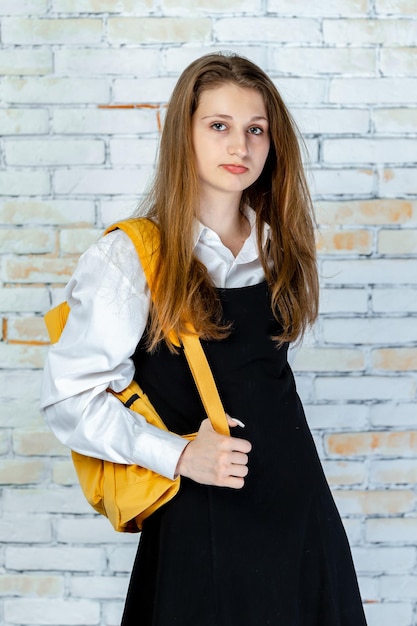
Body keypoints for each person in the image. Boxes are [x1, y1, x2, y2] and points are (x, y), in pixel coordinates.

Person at [41, 52, 367, 626]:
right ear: (182, 134)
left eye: (255, 130)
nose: (239, 146)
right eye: (219, 126)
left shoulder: (278, 246)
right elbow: (70, 399)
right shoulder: (132, 257)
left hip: (302, 522)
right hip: (205, 523)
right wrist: (181, 453)